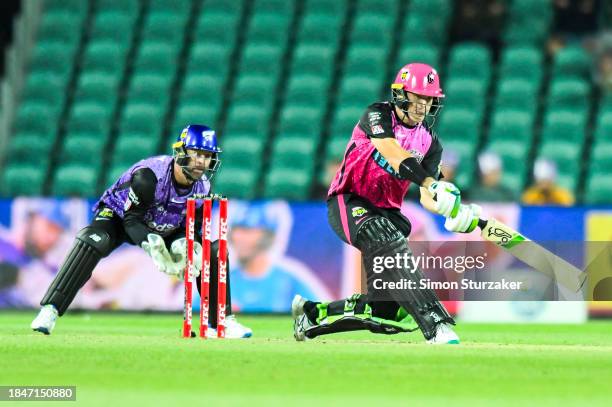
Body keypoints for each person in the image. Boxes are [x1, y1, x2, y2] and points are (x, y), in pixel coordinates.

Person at [292, 63, 482, 344]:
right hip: (349, 200)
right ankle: (436, 323)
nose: (422, 105)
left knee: (386, 312)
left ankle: (312, 313)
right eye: (417, 97)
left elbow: (428, 197)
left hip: (388, 213)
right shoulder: (377, 114)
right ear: (401, 94)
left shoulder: (430, 143)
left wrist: (450, 208)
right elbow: (392, 152)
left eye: (428, 99)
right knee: (384, 235)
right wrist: (431, 183)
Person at [30, 124, 252, 338]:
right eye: (197, 154)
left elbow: (194, 230)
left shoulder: (203, 187)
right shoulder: (149, 177)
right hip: (121, 217)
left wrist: (188, 248)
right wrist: (154, 248)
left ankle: (222, 322)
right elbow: (132, 220)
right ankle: (50, 310)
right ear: (181, 151)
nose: (201, 162)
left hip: (168, 225)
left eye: (207, 156)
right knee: (92, 240)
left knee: (212, 251)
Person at [228, 201, 330, 312]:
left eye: (247, 230)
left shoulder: (289, 280)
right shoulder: (226, 280)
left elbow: (321, 312)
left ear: (268, 236)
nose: (238, 237)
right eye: (236, 230)